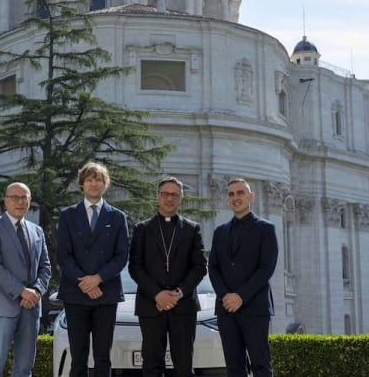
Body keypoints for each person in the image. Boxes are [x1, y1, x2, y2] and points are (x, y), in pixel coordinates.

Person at [56, 161, 130, 377]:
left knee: (103, 356)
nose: (94, 184)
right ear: (82, 184)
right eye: (89, 179)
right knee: (78, 356)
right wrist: (85, 282)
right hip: (76, 294)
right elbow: (63, 255)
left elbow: (121, 256)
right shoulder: (68, 215)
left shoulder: (117, 217)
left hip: (105, 294)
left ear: (105, 184)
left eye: (98, 179)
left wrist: (98, 278)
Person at [129, 176, 208, 377]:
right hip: (151, 305)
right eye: (165, 194)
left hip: (183, 307)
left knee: (183, 366)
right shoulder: (142, 229)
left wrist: (178, 293)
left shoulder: (192, 229)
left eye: (174, 194)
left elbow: (199, 267)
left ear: (181, 198)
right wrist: (157, 294)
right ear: (158, 196)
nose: (169, 199)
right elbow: (135, 267)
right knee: (152, 366)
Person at [0, 182, 51, 377]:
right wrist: (21, 291)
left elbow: (45, 267)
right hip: (1, 306)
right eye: (14, 197)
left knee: (25, 368)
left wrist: (36, 291)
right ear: (5, 201)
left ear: (30, 201)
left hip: (31, 307)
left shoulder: (37, 231)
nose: (19, 202)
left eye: (24, 197)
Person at [208, 178, 278, 377]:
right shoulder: (220, 232)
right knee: (233, 368)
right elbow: (213, 268)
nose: (235, 197)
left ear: (250, 196)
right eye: (231, 194)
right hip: (226, 309)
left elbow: (266, 269)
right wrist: (225, 296)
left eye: (240, 193)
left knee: (261, 366)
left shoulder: (266, 229)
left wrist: (240, 296)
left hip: (255, 307)